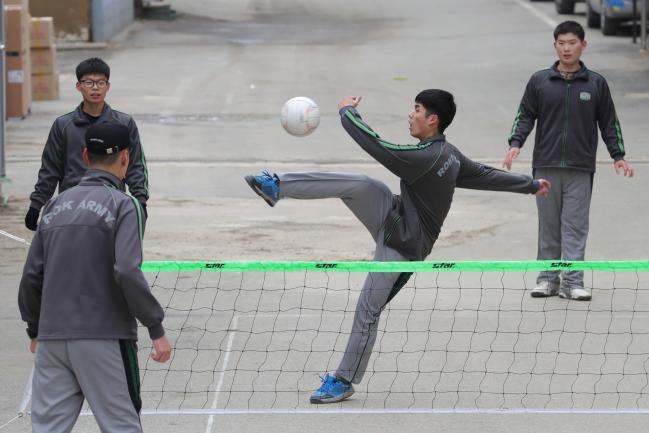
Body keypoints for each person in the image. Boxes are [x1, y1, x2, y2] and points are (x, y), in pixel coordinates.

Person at [245, 89, 551, 404]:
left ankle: (344, 380)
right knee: (363, 185)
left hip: (404, 246)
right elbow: (486, 175)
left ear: (432, 119)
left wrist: (348, 113)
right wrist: (528, 185)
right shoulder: (449, 155)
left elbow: (378, 146)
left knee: (368, 310)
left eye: (416, 109)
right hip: (394, 215)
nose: (410, 114)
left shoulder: (426, 158)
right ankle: (277, 186)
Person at [18, 121, 171, 433]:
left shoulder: (54, 205)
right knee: (121, 426)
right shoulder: (124, 205)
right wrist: (155, 326)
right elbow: (127, 270)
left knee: (46, 428)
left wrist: (35, 328)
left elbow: (32, 276)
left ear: (86, 155)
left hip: (52, 337)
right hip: (104, 337)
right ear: (126, 158)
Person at [503, 21, 634, 301]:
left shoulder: (596, 83)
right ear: (555, 46)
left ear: (583, 45)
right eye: (561, 43)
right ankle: (547, 279)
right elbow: (525, 114)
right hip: (546, 166)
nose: (566, 48)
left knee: (575, 225)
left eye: (572, 42)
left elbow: (609, 123)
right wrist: (516, 144)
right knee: (549, 226)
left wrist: (618, 156)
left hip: (580, 167)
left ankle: (572, 282)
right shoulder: (540, 81)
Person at [24, 57, 149, 231]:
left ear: (108, 86)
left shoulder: (124, 124)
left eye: (100, 82)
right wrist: (36, 204)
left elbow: (135, 165)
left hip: (111, 204)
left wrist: (140, 201)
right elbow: (50, 168)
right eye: (89, 82)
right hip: (71, 206)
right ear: (78, 86)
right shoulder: (63, 126)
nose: (95, 87)